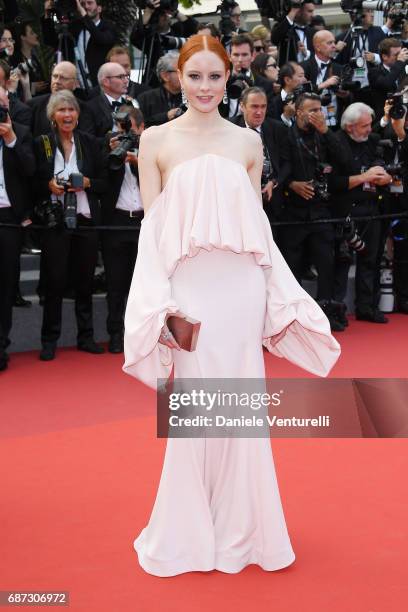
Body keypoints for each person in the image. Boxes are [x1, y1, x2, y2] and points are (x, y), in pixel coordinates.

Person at [123, 34, 341, 577]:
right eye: (193, 76)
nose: (203, 87)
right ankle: (190, 531)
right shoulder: (155, 140)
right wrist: (161, 305)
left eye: (213, 77)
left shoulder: (247, 143)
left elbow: (257, 232)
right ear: (177, 77)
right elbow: (152, 234)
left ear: (229, 79)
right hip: (190, 289)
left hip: (239, 288)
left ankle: (244, 531)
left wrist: (280, 297)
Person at [33, 90, 107, 361]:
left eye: (71, 110)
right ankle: (49, 340)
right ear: (52, 116)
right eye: (62, 110)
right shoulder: (42, 143)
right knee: (54, 282)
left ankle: (86, 336)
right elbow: (31, 181)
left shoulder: (88, 142)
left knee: (85, 282)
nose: (67, 115)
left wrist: (87, 183)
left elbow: (104, 182)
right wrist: (48, 186)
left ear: (78, 114)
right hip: (56, 221)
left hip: (85, 219)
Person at [101, 106, 145, 353]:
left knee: (142, 286)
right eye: (122, 127)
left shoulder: (151, 149)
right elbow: (99, 181)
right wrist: (113, 153)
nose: (126, 133)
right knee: (115, 285)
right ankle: (115, 334)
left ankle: (140, 336)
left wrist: (139, 162)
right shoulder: (107, 146)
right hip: (116, 223)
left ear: (141, 128)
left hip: (143, 223)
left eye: (131, 128)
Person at [0, 86, 35, 371]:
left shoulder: (21, 132)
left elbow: (31, 171)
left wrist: (11, 140)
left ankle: (1, 346)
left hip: (9, 218)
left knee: (5, 285)